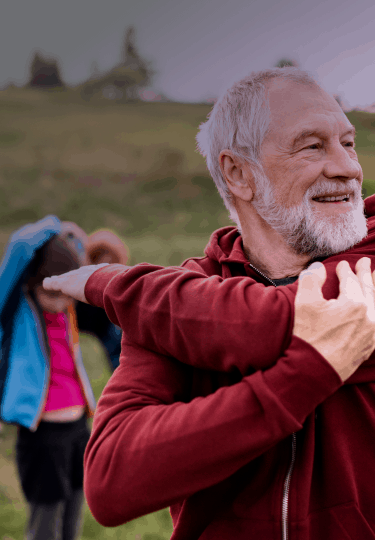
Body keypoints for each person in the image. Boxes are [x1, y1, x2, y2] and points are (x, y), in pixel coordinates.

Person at [44, 68, 375, 539]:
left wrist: (115, 283)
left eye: (349, 142)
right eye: (313, 146)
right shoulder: (179, 303)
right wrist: (303, 377)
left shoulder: (163, 307)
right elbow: (111, 479)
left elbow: (276, 321)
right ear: (239, 173)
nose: (347, 167)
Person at [0, 216, 123, 540]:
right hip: (43, 436)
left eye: (64, 293)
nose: (59, 301)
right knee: (45, 524)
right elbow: (21, 247)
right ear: (30, 283)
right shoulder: (19, 309)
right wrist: (59, 227)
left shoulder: (68, 308)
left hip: (78, 428)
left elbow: (111, 327)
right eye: (49, 293)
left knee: (72, 517)